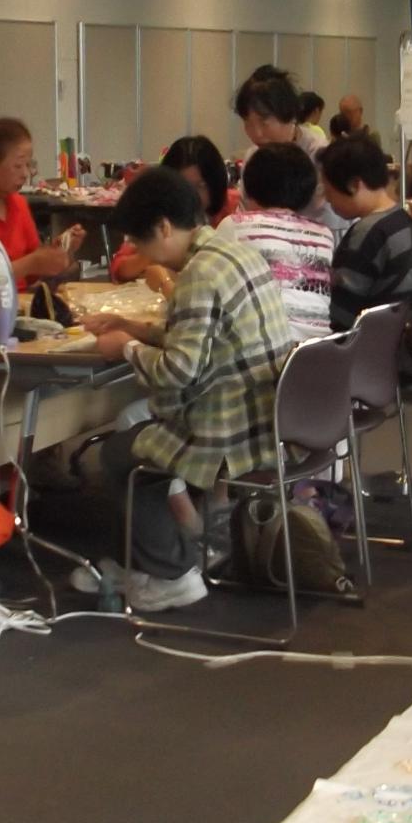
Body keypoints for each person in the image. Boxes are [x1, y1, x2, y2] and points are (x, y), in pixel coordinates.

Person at [82, 169, 294, 613]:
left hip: (226, 431)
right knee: (132, 443)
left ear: (163, 227)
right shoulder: (234, 253)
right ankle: (138, 562)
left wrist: (126, 348)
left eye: (141, 243)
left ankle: (171, 574)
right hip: (262, 416)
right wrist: (132, 327)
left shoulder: (198, 274)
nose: (142, 256)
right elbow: (198, 335)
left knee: (120, 455)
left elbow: (178, 371)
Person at [219, 142, 335, 341]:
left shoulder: (234, 226)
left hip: (262, 349)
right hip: (315, 350)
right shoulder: (324, 235)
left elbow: (210, 292)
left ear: (249, 186)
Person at [321, 132, 412, 332]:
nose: (327, 200)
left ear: (354, 185)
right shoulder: (405, 220)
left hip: (369, 340)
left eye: (329, 191)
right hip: (401, 334)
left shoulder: (367, 233)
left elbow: (342, 314)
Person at [0, 117, 84, 288]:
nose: (25, 174)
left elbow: (33, 273)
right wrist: (31, 263)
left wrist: (59, 251)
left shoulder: (18, 204)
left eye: (29, 165)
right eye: (18, 166)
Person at [110, 135, 239, 285]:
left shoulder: (235, 208)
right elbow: (119, 269)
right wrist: (153, 250)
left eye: (200, 186)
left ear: (215, 184)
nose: (190, 194)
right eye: (183, 185)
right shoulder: (158, 210)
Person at [235, 65, 347, 237]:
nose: (256, 133)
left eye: (264, 122)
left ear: (290, 116)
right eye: (248, 123)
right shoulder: (253, 157)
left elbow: (325, 220)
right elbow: (243, 215)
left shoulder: (320, 156)